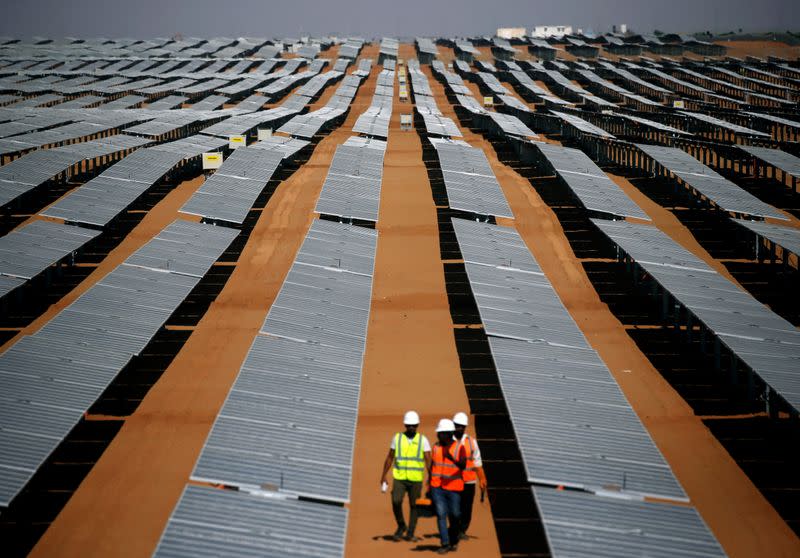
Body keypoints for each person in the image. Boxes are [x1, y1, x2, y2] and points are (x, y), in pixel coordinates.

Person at [380, 410, 431, 542]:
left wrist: (432, 478)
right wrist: (383, 475)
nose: (411, 427)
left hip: (416, 479)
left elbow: (428, 460)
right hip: (400, 478)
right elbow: (390, 457)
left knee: (415, 506)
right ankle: (401, 525)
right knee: (396, 500)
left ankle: (410, 532)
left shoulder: (423, 440)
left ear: (418, 425)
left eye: (414, 425)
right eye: (409, 425)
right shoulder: (397, 438)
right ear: (405, 425)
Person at [427, 418, 467, 554]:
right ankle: (444, 543)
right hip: (437, 487)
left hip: (454, 488)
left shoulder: (459, 447)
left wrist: (450, 457)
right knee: (441, 514)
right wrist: (428, 485)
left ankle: (454, 539)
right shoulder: (436, 447)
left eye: (441, 433)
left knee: (455, 515)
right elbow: (433, 466)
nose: (438, 435)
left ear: (449, 433)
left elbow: (463, 465)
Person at [452, 412, 487, 540]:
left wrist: (482, 478)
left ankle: (462, 530)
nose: (459, 428)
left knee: (466, 509)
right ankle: (455, 529)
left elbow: (477, 463)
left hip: (468, 481)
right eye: (457, 425)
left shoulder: (472, 442)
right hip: (452, 481)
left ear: (465, 427)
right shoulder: (448, 441)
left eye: (462, 426)